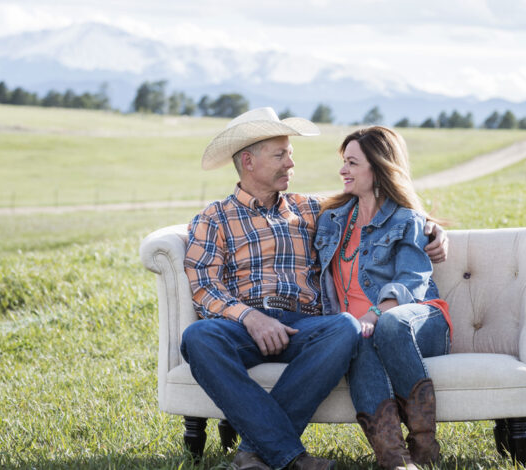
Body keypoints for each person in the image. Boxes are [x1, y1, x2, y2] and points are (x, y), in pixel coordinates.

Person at [181, 108, 448, 470]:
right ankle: (288, 456)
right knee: (198, 337)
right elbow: (203, 287)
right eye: (281, 155)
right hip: (244, 326)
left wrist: (431, 229)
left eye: (290, 153)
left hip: (305, 327)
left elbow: (377, 206)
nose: (291, 163)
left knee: (346, 328)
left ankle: (256, 452)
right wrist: (252, 318)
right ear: (248, 161)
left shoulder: (310, 209)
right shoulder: (214, 218)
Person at [314, 126, 453, 470]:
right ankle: (395, 460)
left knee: (386, 324)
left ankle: (424, 445)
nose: (343, 170)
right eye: (343, 162)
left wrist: (373, 315)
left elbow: (410, 281)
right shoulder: (332, 220)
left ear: (377, 168)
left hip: (417, 321)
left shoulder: (407, 221)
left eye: (352, 163)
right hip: (364, 330)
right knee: (355, 337)